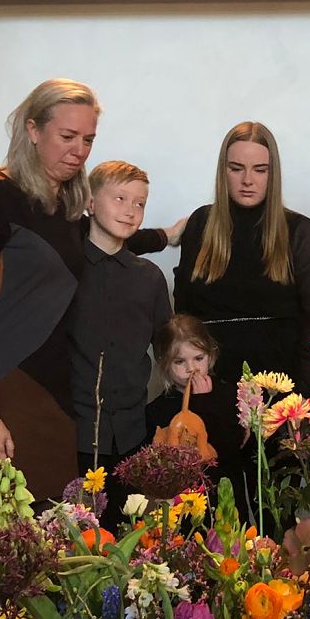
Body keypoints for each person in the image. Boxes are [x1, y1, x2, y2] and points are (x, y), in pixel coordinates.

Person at [0, 79, 183, 502]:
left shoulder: (65, 205)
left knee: (60, 529)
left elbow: (102, 241)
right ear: (33, 129)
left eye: (88, 139)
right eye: (67, 137)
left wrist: (165, 236)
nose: (79, 151)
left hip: (56, 400)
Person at [174, 122, 310, 396]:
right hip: (209, 385)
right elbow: (184, 314)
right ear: (222, 171)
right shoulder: (201, 223)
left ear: (273, 174)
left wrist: (300, 394)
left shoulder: (299, 231)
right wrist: (191, 379)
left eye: (260, 170)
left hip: (281, 386)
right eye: (236, 168)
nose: (247, 180)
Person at [66, 160, 173, 527]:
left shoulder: (150, 278)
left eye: (139, 203)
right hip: (74, 431)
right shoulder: (65, 270)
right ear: (90, 202)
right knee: (75, 534)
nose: (130, 210)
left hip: (132, 433)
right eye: (120, 198)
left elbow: (167, 349)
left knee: (128, 530)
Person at [146, 314, 246, 499]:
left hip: (226, 497)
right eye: (179, 361)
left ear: (211, 355)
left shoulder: (228, 395)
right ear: (164, 363)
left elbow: (231, 448)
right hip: (182, 502)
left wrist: (204, 402)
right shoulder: (159, 409)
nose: (191, 368)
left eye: (199, 358)